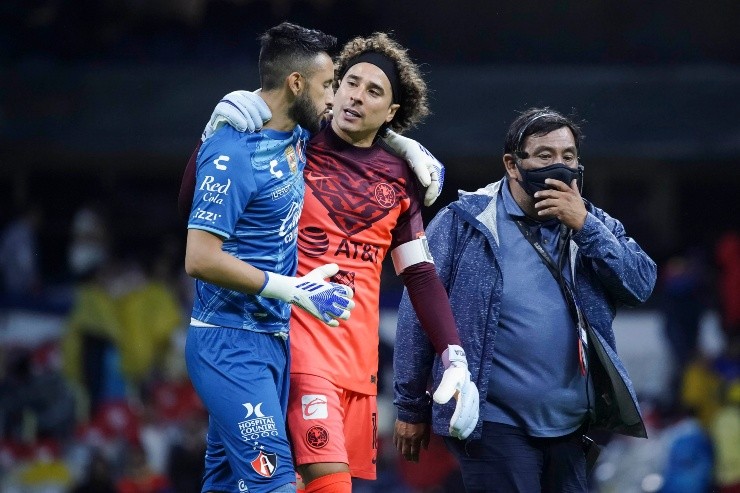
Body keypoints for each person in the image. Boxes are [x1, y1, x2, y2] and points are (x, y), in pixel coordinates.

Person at [183, 32, 479, 493]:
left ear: (393, 113)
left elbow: (419, 275)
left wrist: (453, 355)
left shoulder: (403, 179)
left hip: (356, 366)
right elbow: (202, 197)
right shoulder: (296, 142)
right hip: (293, 345)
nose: (355, 96)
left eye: (374, 91)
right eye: (348, 82)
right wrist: (215, 130)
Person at [393, 107, 658, 493]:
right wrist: (410, 406)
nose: (559, 165)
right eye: (544, 155)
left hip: (570, 425)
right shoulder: (463, 222)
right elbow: (417, 315)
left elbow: (640, 285)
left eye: (568, 156)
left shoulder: (592, 224)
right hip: (494, 422)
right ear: (512, 165)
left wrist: (586, 227)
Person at [182, 22, 355, 493]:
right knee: (274, 482)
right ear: (296, 84)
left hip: (271, 338)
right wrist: (292, 289)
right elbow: (198, 257)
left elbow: (362, 132)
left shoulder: (295, 136)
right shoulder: (234, 151)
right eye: (328, 85)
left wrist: (408, 147)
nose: (334, 97)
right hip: (228, 344)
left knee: (225, 485)